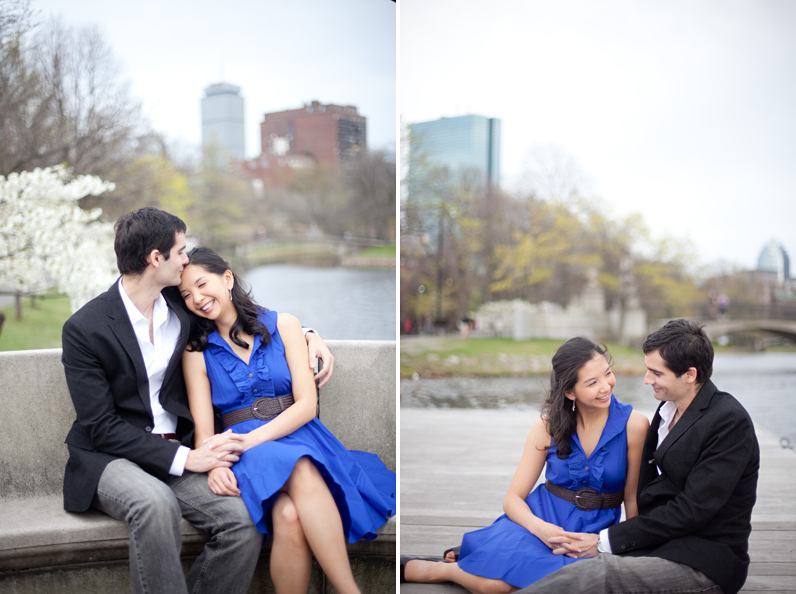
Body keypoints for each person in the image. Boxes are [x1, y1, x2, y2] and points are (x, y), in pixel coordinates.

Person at [61, 208, 335, 594]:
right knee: (155, 506)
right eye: (180, 251)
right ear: (156, 259)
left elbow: (241, 315)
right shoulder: (84, 329)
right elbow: (100, 426)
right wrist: (189, 459)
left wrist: (308, 334)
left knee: (241, 521)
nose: (187, 260)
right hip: (111, 458)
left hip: (178, 453)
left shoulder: (179, 304)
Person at [177, 247, 396, 594]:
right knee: (299, 467)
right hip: (243, 450)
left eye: (202, 285)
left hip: (297, 430)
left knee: (289, 515)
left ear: (228, 278)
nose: (198, 299)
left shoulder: (286, 325)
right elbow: (205, 433)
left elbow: (307, 404)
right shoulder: (196, 352)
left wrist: (256, 437)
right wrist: (216, 465)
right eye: (186, 295)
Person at [514, 319, 760, 594]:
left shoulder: (728, 422)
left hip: (703, 560)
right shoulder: (667, 411)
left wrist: (602, 541)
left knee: (598, 573)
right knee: (567, 563)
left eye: (656, 373)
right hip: (662, 543)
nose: (646, 379)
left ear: (689, 375)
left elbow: (693, 510)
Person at [401, 337, 649, 593]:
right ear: (569, 392)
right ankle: (439, 570)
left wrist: (630, 549)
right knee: (494, 588)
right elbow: (512, 499)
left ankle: (474, 560)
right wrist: (540, 529)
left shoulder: (635, 426)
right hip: (538, 522)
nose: (606, 386)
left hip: (591, 536)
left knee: (558, 585)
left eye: (607, 373)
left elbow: (631, 500)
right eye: (592, 383)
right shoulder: (547, 427)